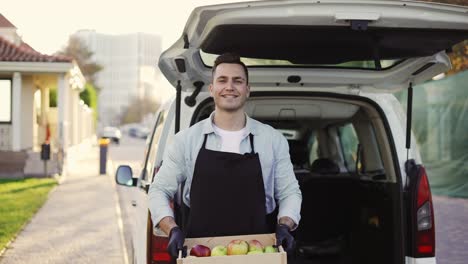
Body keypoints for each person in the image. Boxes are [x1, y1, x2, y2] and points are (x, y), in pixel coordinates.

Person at [148, 53, 302, 258]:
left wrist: (284, 225)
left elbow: (290, 191)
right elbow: (158, 190)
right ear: (212, 89)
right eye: (222, 80)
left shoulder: (272, 140)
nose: (230, 86)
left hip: (257, 253)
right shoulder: (186, 140)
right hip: (202, 253)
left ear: (247, 90)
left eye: (237, 81)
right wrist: (172, 229)